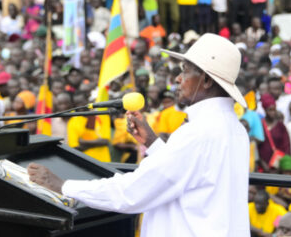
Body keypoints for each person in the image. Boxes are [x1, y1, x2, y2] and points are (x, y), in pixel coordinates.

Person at [28, 33, 250, 236]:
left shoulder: (198, 133)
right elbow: (189, 175)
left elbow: (133, 193)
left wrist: (64, 185)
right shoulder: (235, 129)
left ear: (207, 80)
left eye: (185, 70)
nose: (178, 79)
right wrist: (153, 143)